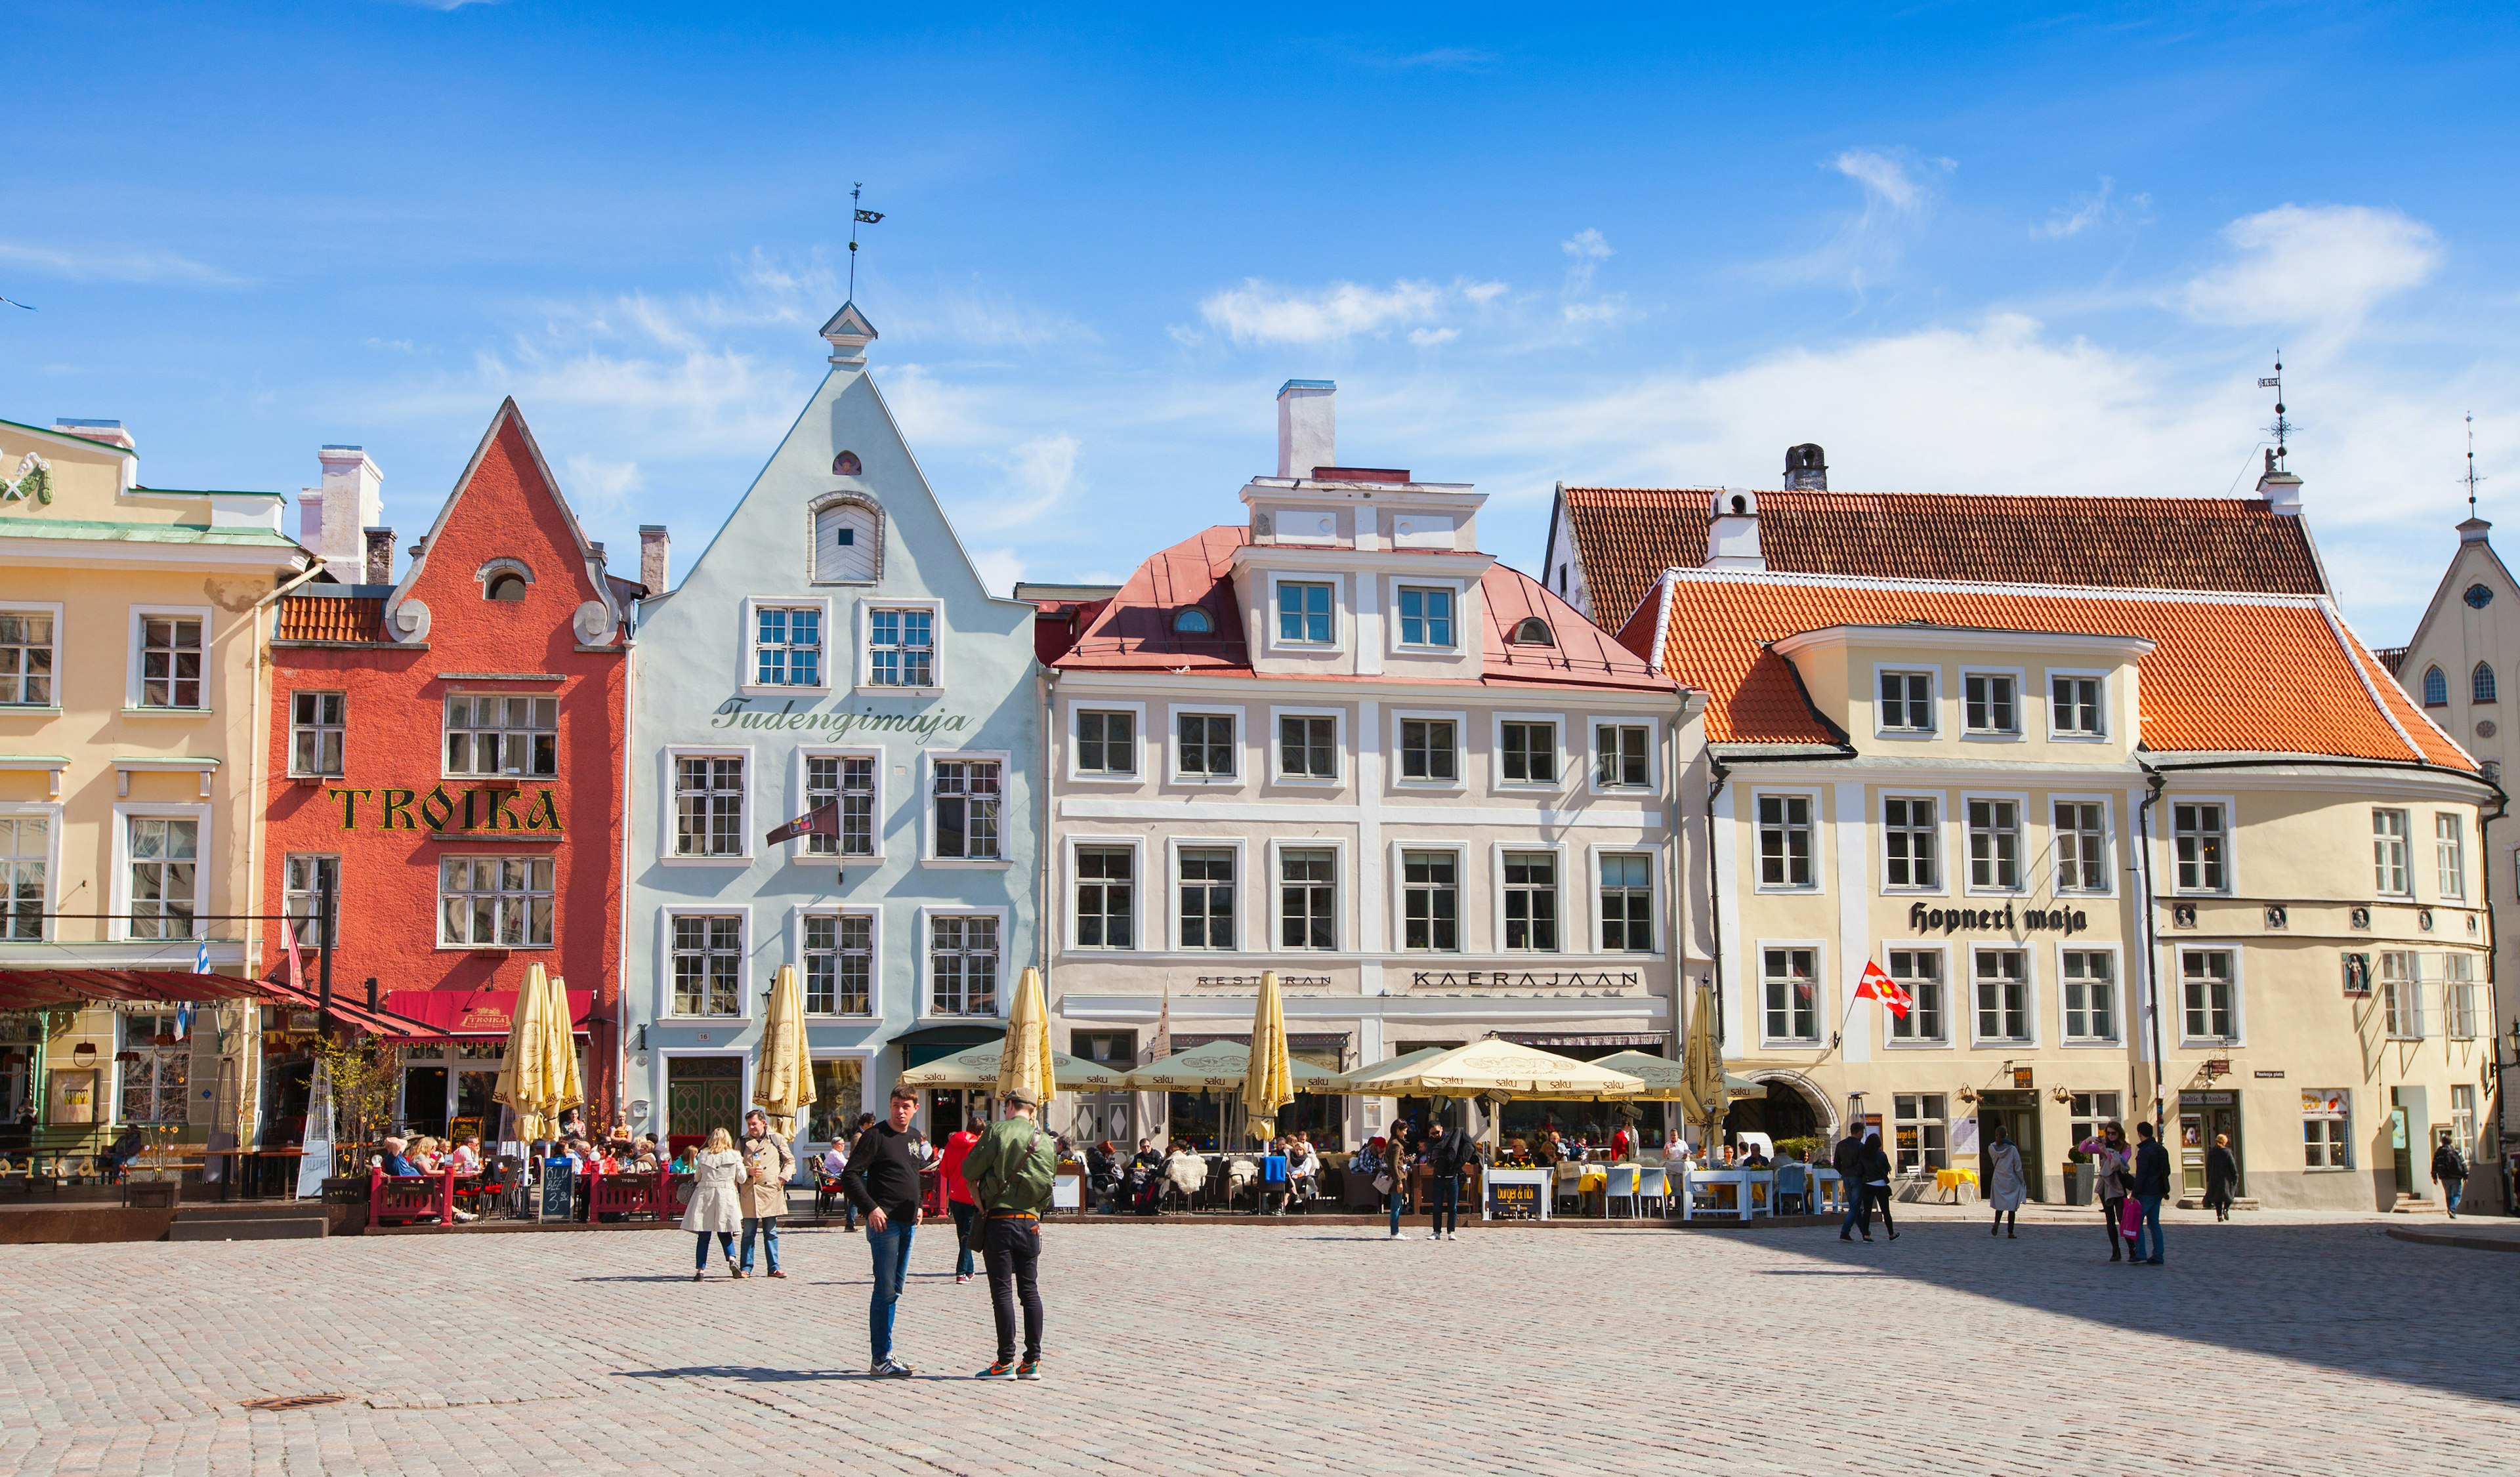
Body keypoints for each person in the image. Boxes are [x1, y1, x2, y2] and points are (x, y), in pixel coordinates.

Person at [963, 1091, 1058, 1380]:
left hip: (1000, 1220)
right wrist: (1035, 1211)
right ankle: (1033, 1361)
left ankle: (1005, 1362)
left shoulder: (997, 1130)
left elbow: (969, 1169)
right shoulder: (1047, 1142)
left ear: (1010, 1106)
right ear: (1032, 1111)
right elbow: (1048, 1186)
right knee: (1030, 1290)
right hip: (1031, 1222)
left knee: (1002, 1291)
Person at [842, 1087, 925, 1377]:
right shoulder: (875, 1136)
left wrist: (919, 1204)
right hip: (884, 1223)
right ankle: (880, 1357)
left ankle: (887, 1352)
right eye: (895, 1106)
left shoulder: (914, 1137)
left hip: (907, 1221)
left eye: (905, 1106)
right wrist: (871, 1208)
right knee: (885, 1289)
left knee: (896, 1289)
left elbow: (912, 1172)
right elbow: (850, 1175)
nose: (899, 1111)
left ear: (915, 1107)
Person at [682, 1127, 745, 1281]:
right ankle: (732, 1260)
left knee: (704, 1234)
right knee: (725, 1231)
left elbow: (697, 1177)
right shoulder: (734, 1155)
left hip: (706, 1194)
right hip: (726, 1194)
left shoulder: (703, 1155)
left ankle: (700, 1270)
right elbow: (742, 1178)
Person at [738, 1108, 795, 1279]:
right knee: (748, 1232)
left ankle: (774, 1267)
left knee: (771, 1232)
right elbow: (736, 1165)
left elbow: (790, 1160)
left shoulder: (776, 1139)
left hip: (771, 1190)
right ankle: (746, 1267)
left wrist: (783, 1177)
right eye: (749, 1124)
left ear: (763, 1123)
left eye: (754, 1123)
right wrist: (748, 1171)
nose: (751, 1127)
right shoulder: (742, 1142)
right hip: (750, 1191)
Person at [940, 1106, 987, 1285]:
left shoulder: (951, 1144)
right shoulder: (978, 1147)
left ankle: (970, 1270)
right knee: (967, 1235)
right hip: (971, 1196)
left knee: (962, 1234)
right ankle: (961, 1272)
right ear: (980, 1132)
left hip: (954, 1196)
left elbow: (944, 1171)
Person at [2079, 1123, 2135, 1262]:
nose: (2110, 1136)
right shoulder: (2103, 1144)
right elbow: (2082, 1150)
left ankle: (2132, 1249)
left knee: (2122, 1219)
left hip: (2119, 1186)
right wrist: (2088, 1139)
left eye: (2113, 1134)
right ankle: (2116, 1251)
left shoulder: (2126, 1147)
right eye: (2108, 1133)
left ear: (2119, 1134)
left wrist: (2105, 1152)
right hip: (2106, 1186)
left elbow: (2120, 1164)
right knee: (2110, 1220)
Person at [1425, 1120, 1477, 1241]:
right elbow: (1429, 1162)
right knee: (1437, 1206)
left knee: (1452, 1207)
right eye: (1432, 1134)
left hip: (1452, 1177)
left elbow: (1464, 1148)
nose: (1435, 1135)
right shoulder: (1431, 1144)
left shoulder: (1453, 1138)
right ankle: (1436, 1231)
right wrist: (1435, 1162)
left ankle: (1451, 1231)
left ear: (1442, 1129)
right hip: (1439, 1178)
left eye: (1437, 1132)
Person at [2130, 1120, 2172, 1264]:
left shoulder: (2144, 1152)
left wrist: (2134, 1194)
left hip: (2146, 1192)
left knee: (2137, 1222)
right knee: (2154, 1224)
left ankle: (2140, 1253)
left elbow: (2141, 1175)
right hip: (2159, 1191)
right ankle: (2158, 1255)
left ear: (2140, 1134)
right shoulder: (2161, 1149)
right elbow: (2168, 1171)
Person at [1986, 1124, 2027, 1238]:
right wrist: (2022, 1180)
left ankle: (1997, 1222)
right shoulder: (2012, 1149)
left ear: (1996, 1135)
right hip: (2011, 1179)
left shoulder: (1991, 1148)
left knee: (2000, 1205)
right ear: (2007, 1135)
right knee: (2011, 1207)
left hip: (1998, 1178)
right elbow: (2018, 1167)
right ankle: (2010, 1232)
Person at [841, 1112, 878, 1233]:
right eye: (872, 1123)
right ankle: (850, 1224)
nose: (874, 1125)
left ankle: (852, 1223)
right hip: (862, 1171)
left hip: (866, 1170)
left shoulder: (866, 1135)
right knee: (860, 1196)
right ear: (866, 1124)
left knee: (862, 1196)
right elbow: (858, 1156)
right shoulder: (858, 1137)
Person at [1833, 1124, 1870, 1241]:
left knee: (1855, 1206)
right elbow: (1864, 1164)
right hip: (1857, 1178)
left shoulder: (1841, 1144)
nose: (1862, 1135)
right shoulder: (1860, 1147)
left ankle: (1864, 1232)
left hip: (1846, 1177)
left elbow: (1836, 1163)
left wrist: (1843, 1172)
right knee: (1854, 1207)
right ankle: (1845, 1232)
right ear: (1859, 1132)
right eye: (1862, 1133)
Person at [1861, 1133, 1897, 1241]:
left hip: (1867, 1184)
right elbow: (1886, 1169)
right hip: (1880, 1184)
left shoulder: (1863, 1155)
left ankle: (1866, 1235)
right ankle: (1891, 1234)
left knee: (1867, 1211)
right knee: (1886, 1211)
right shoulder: (1881, 1154)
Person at [1382, 1121, 1414, 1240]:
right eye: (1404, 1130)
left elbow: (1395, 1161)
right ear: (1398, 1130)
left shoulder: (1393, 1142)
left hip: (1397, 1176)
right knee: (1396, 1205)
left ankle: (1395, 1231)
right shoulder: (1396, 1145)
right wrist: (1399, 1181)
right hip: (1397, 1178)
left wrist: (1404, 1160)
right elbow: (1393, 1165)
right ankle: (1395, 1232)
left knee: (1397, 1204)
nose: (1405, 1133)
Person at [2205, 1133, 2240, 1222]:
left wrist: (2208, 1178)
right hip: (2226, 1178)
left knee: (2218, 1199)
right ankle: (2226, 1210)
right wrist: (2235, 1176)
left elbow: (2208, 1165)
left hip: (2215, 1178)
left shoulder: (2212, 1152)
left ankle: (2219, 1216)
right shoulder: (2227, 1152)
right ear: (2224, 1142)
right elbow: (2232, 1166)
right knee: (2230, 1195)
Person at [2433, 1131, 2469, 1218]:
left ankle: (2450, 1209)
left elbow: (2434, 1164)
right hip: (2456, 1176)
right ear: (2451, 1142)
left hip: (2444, 1177)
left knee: (2448, 1194)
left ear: (2442, 1142)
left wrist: (2434, 1176)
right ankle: (2452, 1210)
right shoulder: (2456, 1151)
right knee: (2457, 1195)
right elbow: (2463, 1163)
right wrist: (2466, 1175)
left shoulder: (2439, 1153)